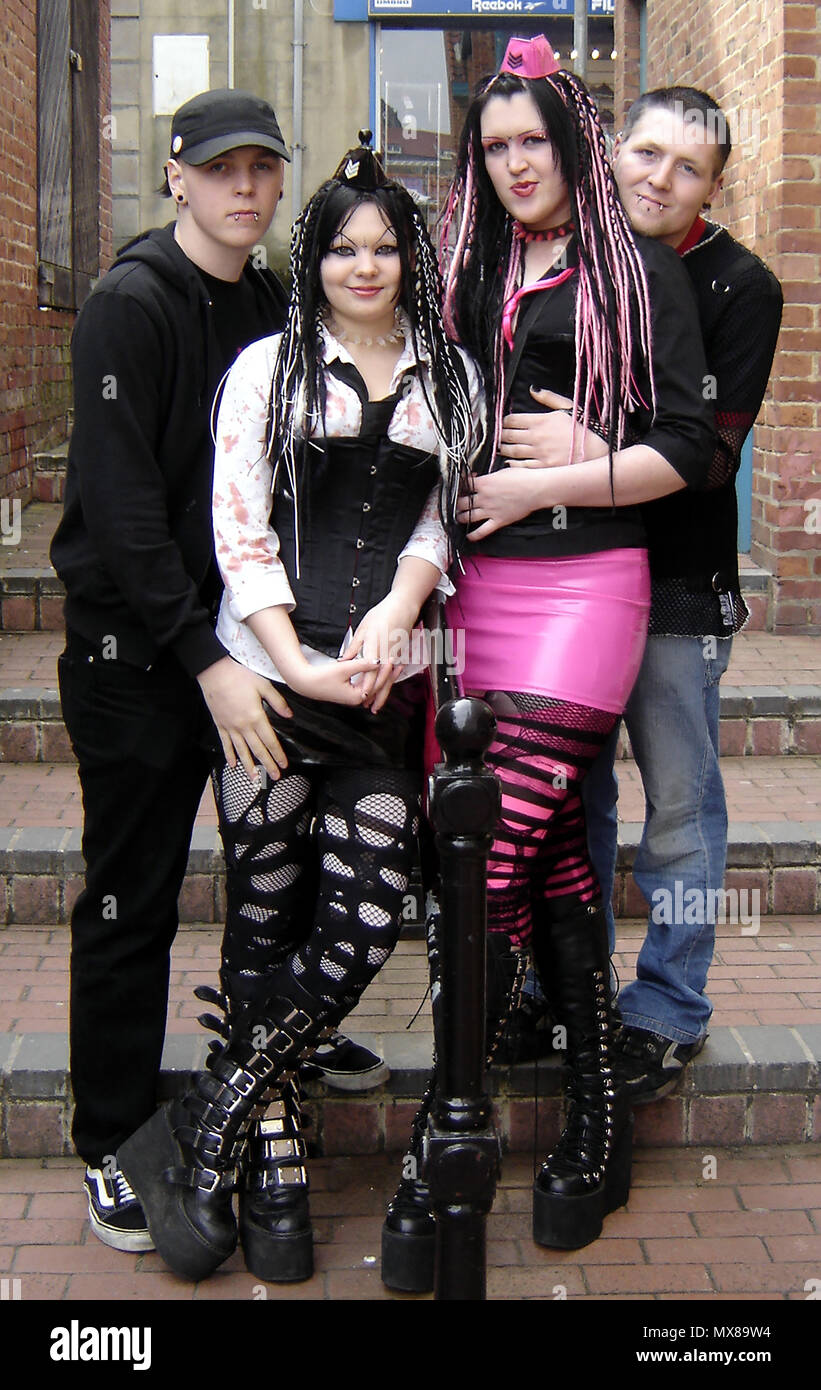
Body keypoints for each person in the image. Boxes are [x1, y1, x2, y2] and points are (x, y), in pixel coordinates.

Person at [116, 136, 481, 1284]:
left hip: (376, 684)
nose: (361, 267)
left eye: (383, 248)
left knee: (369, 906)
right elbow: (238, 530)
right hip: (269, 684)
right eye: (339, 247)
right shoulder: (266, 369)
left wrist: (399, 614)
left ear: (411, 258)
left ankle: (216, 1108)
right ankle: (272, 1149)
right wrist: (291, 660)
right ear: (312, 255)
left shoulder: (453, 376)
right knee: (265, 915)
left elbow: (438, 525)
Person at [381, 34, 714, 1289]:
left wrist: (562, 470)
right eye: (496, 145)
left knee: (491, 846)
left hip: (587, 587)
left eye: (536, 140)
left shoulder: (637, 276)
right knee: (552, 852)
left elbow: (691, 449)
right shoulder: (466, 270)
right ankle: (596, 1115)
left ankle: (442, 1142)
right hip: (476, 591)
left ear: (575, 143)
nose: (517, 162)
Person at [50, 88, 296, 1253]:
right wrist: (203, 659)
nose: (243, 189)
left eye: (262, 169)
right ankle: (108, 1137)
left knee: (280, 877)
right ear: (177, 178)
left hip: (238, 646)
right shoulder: (128, 307)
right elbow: (125, 508)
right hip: (140, 658)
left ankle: (277, 1064)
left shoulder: (270, 299)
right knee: (129, 896)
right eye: (221, 170)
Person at [503, 88, 783, 1102]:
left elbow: (708, 457)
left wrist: (595, 453)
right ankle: (557, 984)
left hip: (671, 584)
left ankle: (667, 1006)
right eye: (645, 153)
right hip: (562, 580)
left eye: (687, 167)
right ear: (610, 151)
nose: (656, 178)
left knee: (677, 808)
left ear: (713, 185)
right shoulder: (554, 256)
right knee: (563, 799)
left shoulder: (738, 285)